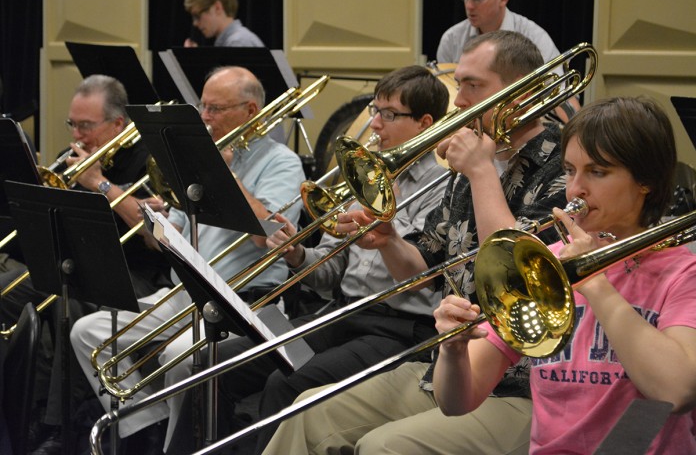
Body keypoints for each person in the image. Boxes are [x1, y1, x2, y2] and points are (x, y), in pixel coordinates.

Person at [261, 30, 568, 455]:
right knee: (304, 410)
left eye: (473, 86)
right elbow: (422, 271)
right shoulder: (472, 160)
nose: (458, 101)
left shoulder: (565, 164)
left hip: (518, 381)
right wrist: (388, 242)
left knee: (377, 446)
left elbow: (517, 272)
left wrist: (481, 173)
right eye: (459, 85)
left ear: (522, 91)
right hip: (442, 364)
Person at [165, 64, 451, 455]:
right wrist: (298, 253)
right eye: (374, 110)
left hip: (398, 329)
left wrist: (389, 240)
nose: (374, 124)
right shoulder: (367, 174)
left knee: (286, 384)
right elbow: (332, 273)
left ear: (424, 122)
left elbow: (426, 276)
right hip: (343, 313)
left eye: (389, 114)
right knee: (214, 365)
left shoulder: (443, 187)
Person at [432, 96, 696, 454]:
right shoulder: (544, 266)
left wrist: (594, 283)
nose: (575, 189)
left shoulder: (683, 271)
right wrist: (452, 350)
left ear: (645, 180)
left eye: (597, 172)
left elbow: (676, 390)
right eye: (570, 171)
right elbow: (457, 402)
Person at [70, 66, 304, 451]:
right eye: (203, 106)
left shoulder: (282, 161)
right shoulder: (197, 159)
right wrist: (151, 217)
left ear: (249, 110)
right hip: (187, 292)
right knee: (89, 332)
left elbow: (271, 236)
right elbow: (160, 241)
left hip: (245, 299)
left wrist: (223, 172)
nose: (204, 117)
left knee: (180, 355)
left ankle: (179, 447)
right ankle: (149, 429)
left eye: (215, 108)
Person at [0, 74, 174, 455]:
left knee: (67, 302)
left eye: (86, 126)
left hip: (139, 275)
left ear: (117, 124)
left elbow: (160, 235)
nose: (77, 135)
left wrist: (99, 183)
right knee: (7, 292)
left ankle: (58, 427)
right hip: (80, 266)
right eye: (72, 124)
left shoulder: (150, 159)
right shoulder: (78, 158)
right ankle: (20, 409)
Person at [437, 0, 579, 120]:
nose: (469, 6)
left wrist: (575, 136)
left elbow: (561, 95)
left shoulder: (534, 36)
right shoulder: (451, 39)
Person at [183, 0, 264, 48]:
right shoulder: (233, 41)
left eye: (197, 16)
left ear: (217, 8)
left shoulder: (238, 42)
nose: (195, 23)